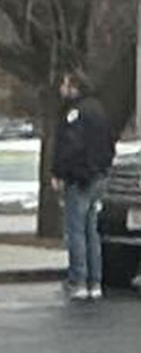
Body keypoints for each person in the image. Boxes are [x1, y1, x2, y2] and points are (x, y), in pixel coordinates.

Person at [62, 80, 120, 303]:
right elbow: (110, 145)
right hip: (98, 177)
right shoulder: (101, 111)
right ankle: (95, 282)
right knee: (91, 231)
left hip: (80, 179)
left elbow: (71, 147)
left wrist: (64, 172)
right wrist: (103, 170)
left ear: (74, 88)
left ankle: (78, 281)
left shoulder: (76, 113)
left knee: (76, 230)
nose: (62, 88)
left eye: (65, 84)